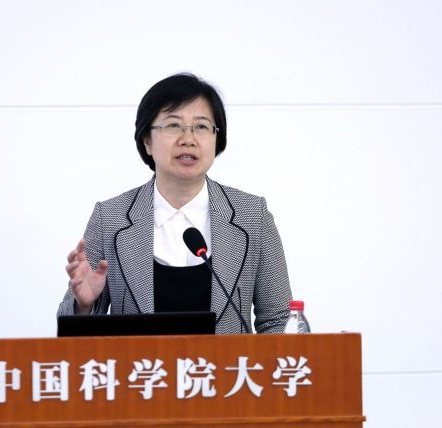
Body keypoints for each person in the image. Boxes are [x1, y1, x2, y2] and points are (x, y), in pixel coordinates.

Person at [57, 73, 291, 334]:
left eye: (201, 127)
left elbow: (278, 319)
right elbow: (73, 335)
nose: (188, 139)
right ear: (147, 141)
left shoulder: (252, 217)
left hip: (228, 362)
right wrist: (83, 305)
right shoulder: (110, 218)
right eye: (173, 125)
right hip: (141, 363)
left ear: (217, 139)